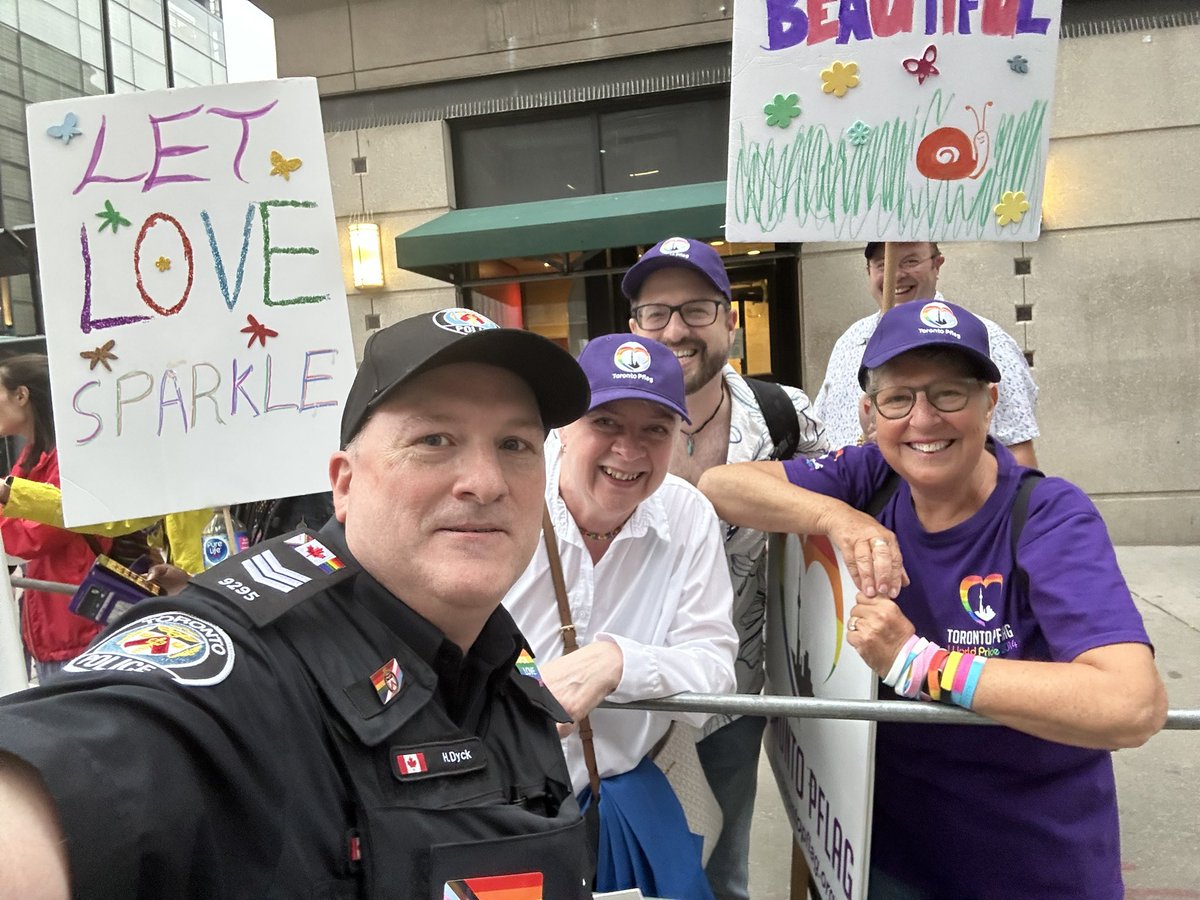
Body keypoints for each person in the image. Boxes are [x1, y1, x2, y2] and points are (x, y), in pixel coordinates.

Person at [0, 308, 595, 898]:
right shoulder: (247, 661)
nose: (486, 482)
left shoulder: (496, 652)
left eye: (515, 444)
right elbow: (84, 769)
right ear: (345, 484)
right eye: (433, 440)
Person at [699, 299, 1167, 899]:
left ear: (989, 403)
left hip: (1029, 866)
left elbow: (1131, 705)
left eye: (949, 394)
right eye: (899, 398)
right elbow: (721, 484)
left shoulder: (1049, 517)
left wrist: (918, 663)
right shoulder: (873, 475)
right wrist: (840, 518)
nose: (923, 419)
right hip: (883, 860)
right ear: (870, 414)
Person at [621, 235, 827, 900]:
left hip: (729, 700)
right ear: (634, 326)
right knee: (615, 875)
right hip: (616, 700)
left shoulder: (784, 415)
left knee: (718, 876)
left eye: (697, 310)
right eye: (656, 313)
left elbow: (851, 495)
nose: (675, 329)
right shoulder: (594, 422)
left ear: (730, 321)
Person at [503, 332, 737, 897]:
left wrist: (618, 662)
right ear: (563, 427)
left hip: (624, 802)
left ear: (679, 438)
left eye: (655, 429)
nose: (629, 451)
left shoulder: (687, 514)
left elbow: (715, 672)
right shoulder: (505, 496)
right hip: (501, 803)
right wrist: (528, 692)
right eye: (605, 422)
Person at [813, 241, 1040, 466]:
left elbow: (1018, 454)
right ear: (868, 272)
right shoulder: (849, 342)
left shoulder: (986, 341)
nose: (896, 274)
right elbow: (821, 441)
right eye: (882, 264)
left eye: (911, 261)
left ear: (937, 265)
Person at [0, 354, 108, 682]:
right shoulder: (31, 457)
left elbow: (31, 536)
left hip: (80, 626)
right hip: (52, 624)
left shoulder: (71, 459)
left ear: (21, 395)